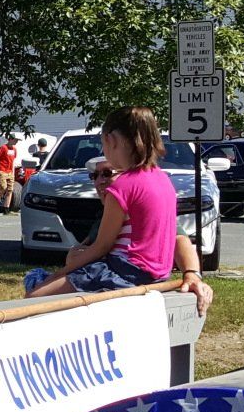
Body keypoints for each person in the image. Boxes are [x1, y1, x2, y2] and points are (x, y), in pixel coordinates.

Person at [27, 107, 213, 314]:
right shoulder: (162, 180)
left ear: (111, 140)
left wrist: (57, 275)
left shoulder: (122, 187)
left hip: (122, 271)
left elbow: (102, 247)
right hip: (156, 274)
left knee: (33, 298)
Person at [0, 135, 18, 214]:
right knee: (2, 188)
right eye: (15, 140)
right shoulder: (3, 148)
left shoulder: (14, 149)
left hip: (10, 172)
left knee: (10, 190)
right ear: (10, 140)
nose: (16, 141)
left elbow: (12, 161)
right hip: (2, 171)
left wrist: (13, 172)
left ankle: (6, 209)